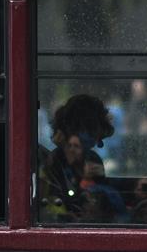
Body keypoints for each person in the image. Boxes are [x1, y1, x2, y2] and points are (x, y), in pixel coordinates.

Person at [38, 94, 120, 222]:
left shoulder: (92, 158)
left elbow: (103, 205)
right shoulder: (53, 162)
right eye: (92, 131)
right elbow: (51, 207)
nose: (98, 143)